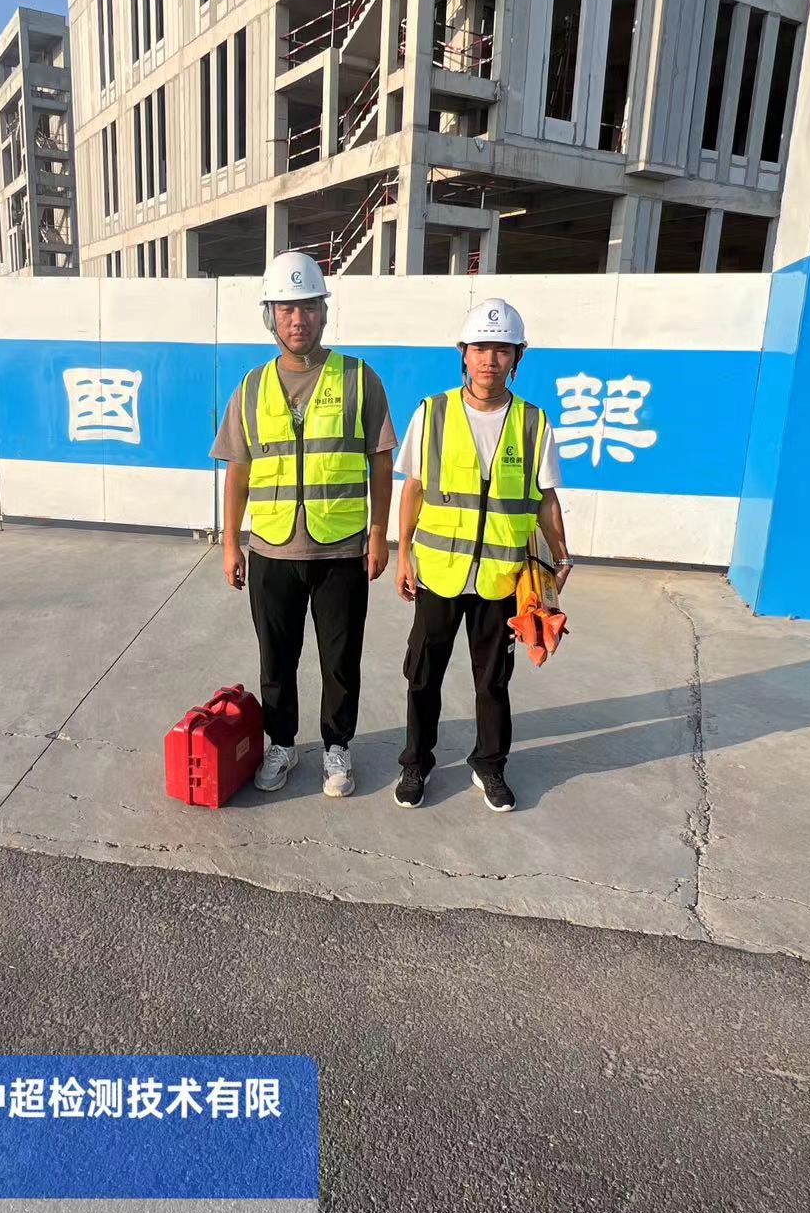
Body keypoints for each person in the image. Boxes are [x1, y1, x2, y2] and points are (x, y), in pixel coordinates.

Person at [211, 250, 396, 798]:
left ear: (324, 311)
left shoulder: (358, 379)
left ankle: (337, 747)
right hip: (271, 548)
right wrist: (231, 543)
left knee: (340, 659)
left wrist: (379, 535)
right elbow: (238, 471)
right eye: (287, 309)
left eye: (309, 307)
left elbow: (380, 459)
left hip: (341, 547)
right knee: (276, 658)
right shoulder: (251, 388)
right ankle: (282, 743)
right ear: (270, 315)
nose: (299, 319)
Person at [392, 298, 571, 813]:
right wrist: (403, 555)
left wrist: (560, 557)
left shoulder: (533, 422)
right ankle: (416, 764)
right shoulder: (433, 412)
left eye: (502, 349)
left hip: (501, 576)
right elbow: (413, 488)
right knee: (423, 674)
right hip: (438, 572)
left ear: (517, 357)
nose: (490, 359)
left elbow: (546, 498)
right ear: (463, 354)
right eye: (480, 348)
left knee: (493, 680)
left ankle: (489, 764)